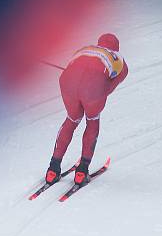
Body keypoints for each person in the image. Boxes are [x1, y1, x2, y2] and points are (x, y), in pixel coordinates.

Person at [46, 33, 128, 186]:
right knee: (92, 121)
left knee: (72, 119)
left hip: (67, 83)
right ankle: (82, 171)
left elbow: (72, 67)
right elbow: (110, 86)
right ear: (116, 47)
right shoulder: (118, 58)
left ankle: (53, 169)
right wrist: (94, 93)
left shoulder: (86, 48)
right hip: (93, 88)